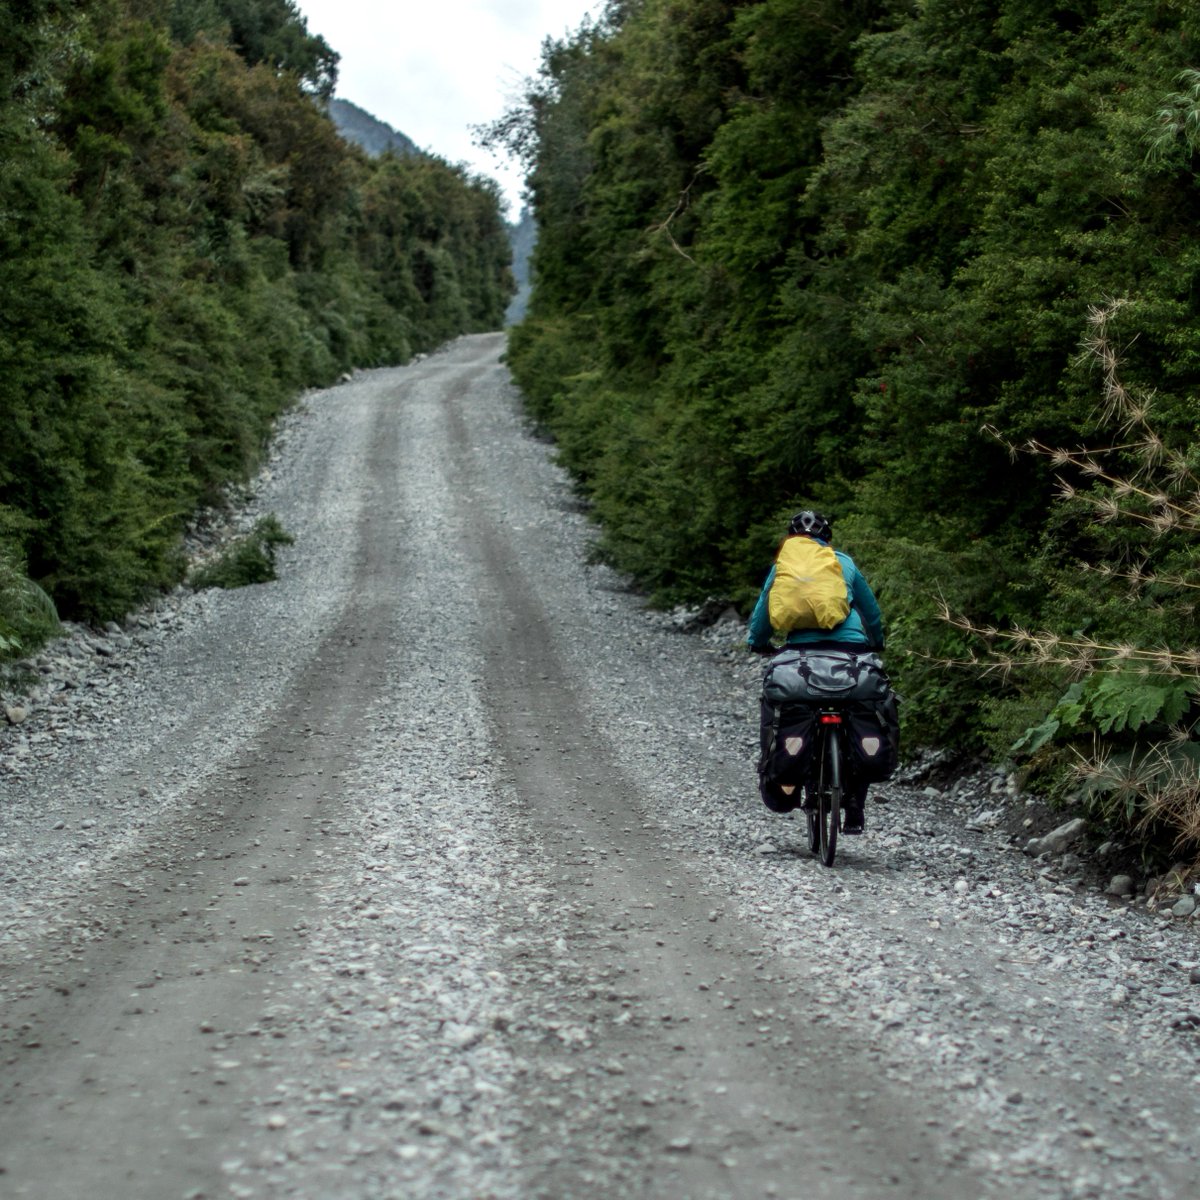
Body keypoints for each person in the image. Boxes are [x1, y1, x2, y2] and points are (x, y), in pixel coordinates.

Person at [747, 510, 885, 834]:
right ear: (828, 538)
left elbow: (765, 609)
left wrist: (758, 642)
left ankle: (788, 777)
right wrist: (876, 641)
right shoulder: (843, 563)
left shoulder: (784, 565)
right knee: (859, 713)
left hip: (801, 653)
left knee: (789, 706)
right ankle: (854, 805)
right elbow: (870, 609)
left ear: (792, 538)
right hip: (851, 650)